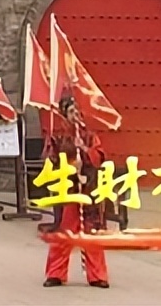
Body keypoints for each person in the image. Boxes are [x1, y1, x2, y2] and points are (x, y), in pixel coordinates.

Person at [43, 95, 110, 289]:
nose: (75, 115)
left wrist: (85, 151)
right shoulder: (58, 136)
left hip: (89, 191)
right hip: (68, 191)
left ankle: (97, 275)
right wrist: (71, 164)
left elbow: (99, 158)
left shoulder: (90, 136)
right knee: (64, 233)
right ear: (65, 114)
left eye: (78, 111)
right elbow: (51, 161)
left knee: (91, 234)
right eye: (71, 111)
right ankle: (56, 273)